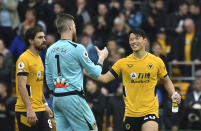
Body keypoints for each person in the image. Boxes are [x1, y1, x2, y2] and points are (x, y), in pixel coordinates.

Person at [89, 28, 181, 131]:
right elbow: (104, 79)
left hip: (150, 111)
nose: (134, 41)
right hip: (130, 114)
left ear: (145, 41)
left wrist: (173, 93)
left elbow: (166, 80)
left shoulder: (156, 61)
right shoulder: (122, 63)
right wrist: (88, 67)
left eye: (137, 38)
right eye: (131, 39)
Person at [45, 13, 108, 131]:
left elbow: (48, 80)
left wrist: (59, 90)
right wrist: (101, 58)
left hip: (57, 99)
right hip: (73, 97)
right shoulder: (77, 48)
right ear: (70, 27)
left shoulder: (50, 49)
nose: (75, 29)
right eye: (74, 26)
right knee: (92, 129)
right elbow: (95, 73)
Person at [15, 26, 53, 131]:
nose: (44, 40)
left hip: (40, 108)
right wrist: (29, 109)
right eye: (40, 37)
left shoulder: (39, 59)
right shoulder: (24, 59)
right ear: (31, 41)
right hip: (26, 110)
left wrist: (45, 104)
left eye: (44, 37)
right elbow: (22, 86)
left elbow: (38, 86)